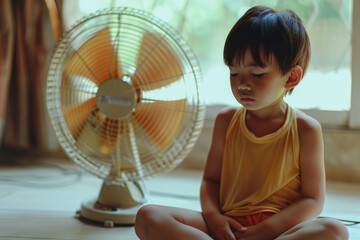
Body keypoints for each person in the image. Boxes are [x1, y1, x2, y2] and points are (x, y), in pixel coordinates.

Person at [134, 5, 349, 240]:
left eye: (257, 74)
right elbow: (210, 180)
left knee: (334, 231)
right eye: (234, 73)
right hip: (227, 227)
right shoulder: (226, 121)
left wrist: (267, 230)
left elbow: (313, 200)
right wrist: (214, 218)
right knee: (148, 217)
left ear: (291, 77)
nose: (242, 84)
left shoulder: (305, 129)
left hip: (278, 231)